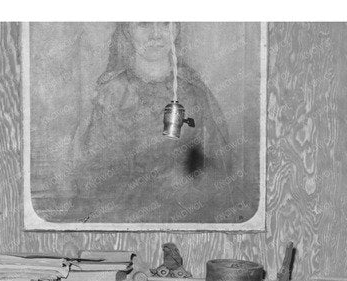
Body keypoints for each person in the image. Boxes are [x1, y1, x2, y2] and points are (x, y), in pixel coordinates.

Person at [61, 22, 244, 224]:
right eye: (144, 24)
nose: (156, 35)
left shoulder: (194, 91)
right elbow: (91, 174)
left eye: (165, 24)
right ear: (127, 31)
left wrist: (187, 180)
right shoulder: (111, 92)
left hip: (187, 214)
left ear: (176, 30)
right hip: (124, 216)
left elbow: (219, 165)